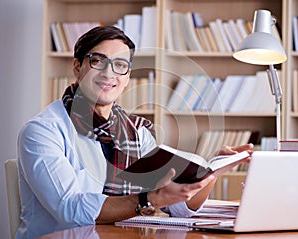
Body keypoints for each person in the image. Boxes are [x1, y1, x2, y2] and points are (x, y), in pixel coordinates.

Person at [16, 25, 253, 239]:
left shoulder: (136, 133)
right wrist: (147, 199)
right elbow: (71, 210)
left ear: (127, 77)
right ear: (77, 67)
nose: (109, 74)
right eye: (98, 61)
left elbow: (177, 208)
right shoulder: (42, 131)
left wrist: (209, 174)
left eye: (120, 65)